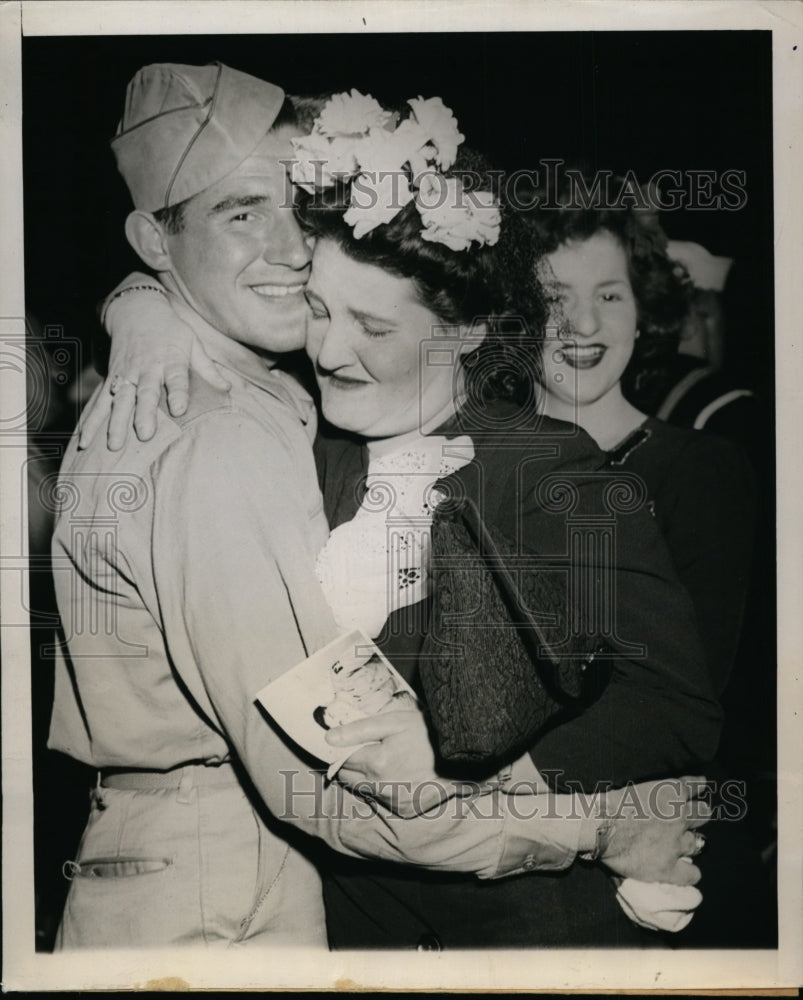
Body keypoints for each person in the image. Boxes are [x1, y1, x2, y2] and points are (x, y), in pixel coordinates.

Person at [86, 85, 720, 948]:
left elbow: (674, 702)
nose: (328, 350)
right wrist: (141, 307)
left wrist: (498, 778)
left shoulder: (545, 465)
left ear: (460, 334)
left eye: (371, 327)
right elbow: (196, 285)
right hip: (353, 922)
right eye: (318, 309)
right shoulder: (310, 443)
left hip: (524, 928)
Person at [522, 183, 774, 946]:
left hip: (644, 874)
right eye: (554, 296)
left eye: (610, 294)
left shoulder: (701, 469)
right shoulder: (470, 457)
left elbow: (690, 697)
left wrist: (494, 786)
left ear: (644, 309)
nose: (584, 324)